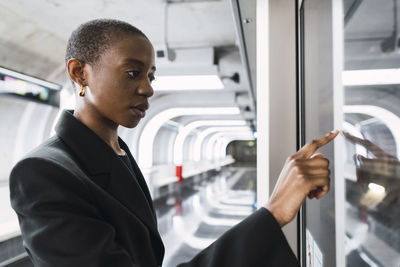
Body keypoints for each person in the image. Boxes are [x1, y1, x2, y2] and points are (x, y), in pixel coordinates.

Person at [9, 19, 338, 267]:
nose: (148, 88)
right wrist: (274, 211)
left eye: (150, 76)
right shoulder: (43, 173)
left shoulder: (117, 153)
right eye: (132, 73)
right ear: (80, 73)